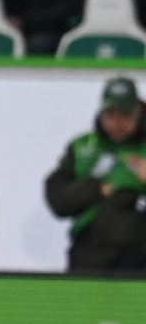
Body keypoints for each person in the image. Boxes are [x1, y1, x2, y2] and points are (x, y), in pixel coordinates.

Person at [44, 76, 146, 273]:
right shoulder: (84, 148)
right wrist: (100, 187)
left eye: (124, 115)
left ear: (138, 113)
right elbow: (58, 199)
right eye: (110, 114)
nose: (116, 123)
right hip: (89, 256)